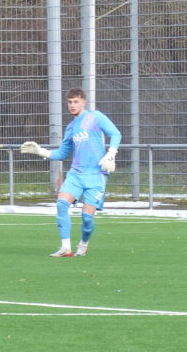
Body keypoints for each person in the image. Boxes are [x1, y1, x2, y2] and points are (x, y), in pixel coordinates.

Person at [21, 87, 122, 257]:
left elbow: (116, 134)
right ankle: (65, 248)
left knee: (87, 218)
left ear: (83, 102)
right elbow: (62, 153)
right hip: (76, 174)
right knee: (61, 204)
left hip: (96, 175)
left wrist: (111, 154)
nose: (72, 105)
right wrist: (40, 151)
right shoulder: (71, 127)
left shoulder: (95, 117)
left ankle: (84, 243)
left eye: (76, 101)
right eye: (69, 102)